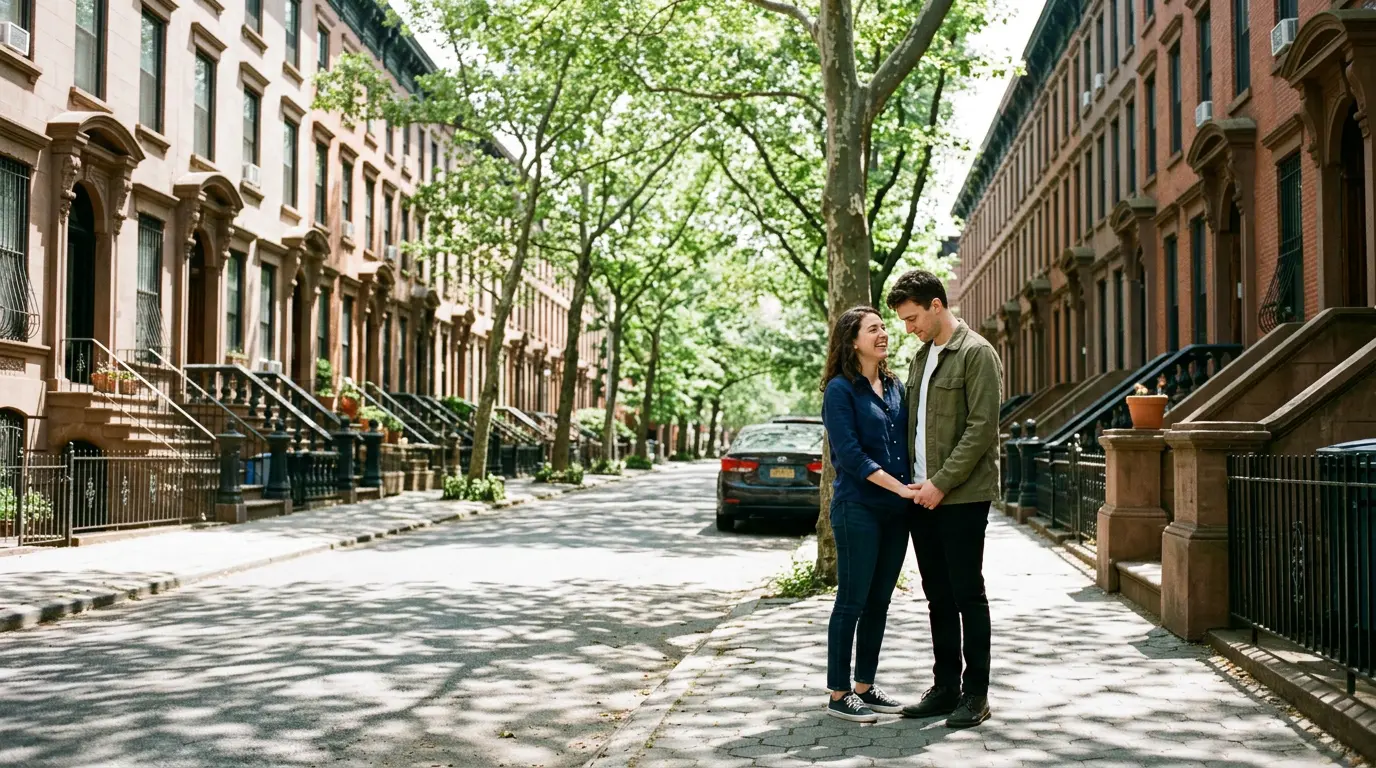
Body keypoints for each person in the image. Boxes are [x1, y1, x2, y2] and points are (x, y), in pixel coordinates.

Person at [885, 269, 1002, 729]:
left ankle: (976, 694)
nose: (908, 328)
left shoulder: (976, 353)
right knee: (937, 598)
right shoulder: (920, 358)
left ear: (937, 305)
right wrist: (915, 485)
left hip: (961, 497)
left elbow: (981, 430)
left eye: (912, 318)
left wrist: (941, 482)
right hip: (920, 497)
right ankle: (945, 687)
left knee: (967, 594)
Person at [819, 306, 917, 723]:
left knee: (879, 600)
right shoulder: (839, 391)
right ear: (852, 340)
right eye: (872, 329)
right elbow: (851, 456)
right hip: (857, 507)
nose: (883, 334)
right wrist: (900, 487)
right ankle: (839, 693)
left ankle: (865, 685)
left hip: (897, 511)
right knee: (852, 600)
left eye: (883, 328)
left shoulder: (894, 386)